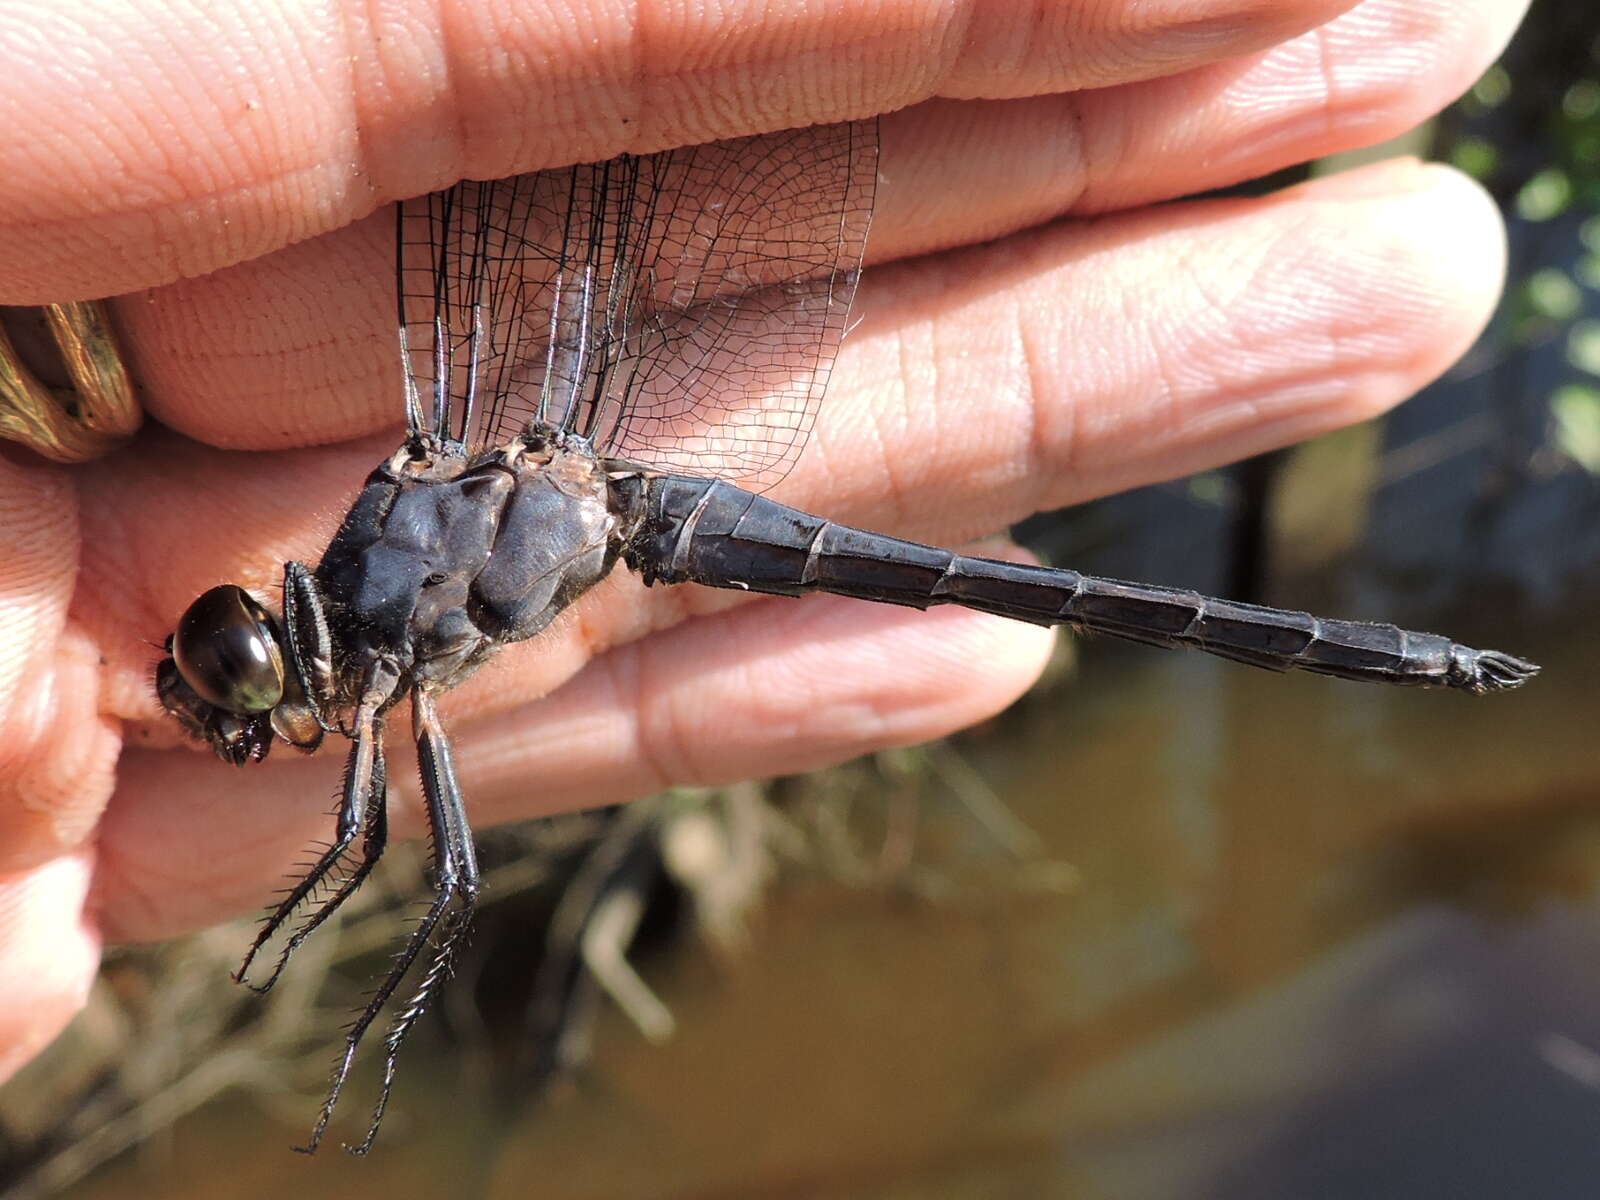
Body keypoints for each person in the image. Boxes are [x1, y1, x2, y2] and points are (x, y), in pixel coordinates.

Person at [0, 0, 1529, 1085]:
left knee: (407, 859)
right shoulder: (389, 546)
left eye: (229, 671)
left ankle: (371, 1041)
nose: (224, 684)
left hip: (635, 505)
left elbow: (380, 851)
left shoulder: (374, 647)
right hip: (600, 494)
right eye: (233, 673)